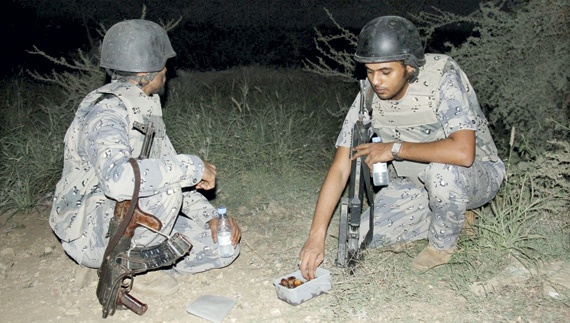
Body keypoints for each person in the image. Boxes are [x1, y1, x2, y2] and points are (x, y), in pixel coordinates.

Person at [299, 16, 505, 278]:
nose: (376, 81)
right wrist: (315, 236)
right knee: (362, 240)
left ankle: (441, 247)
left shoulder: (442, 76)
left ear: (409, 67)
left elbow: (463, 153)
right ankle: (456, 217)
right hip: (415, 184)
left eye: (385, 72)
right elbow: (342, 167)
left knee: (441, 172)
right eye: (370, 71)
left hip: (474, 176)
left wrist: (394, 148)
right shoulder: (369, 94)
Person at [49, 19, 241, 294]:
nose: (166, 71)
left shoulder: (144, 107)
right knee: (167, 189)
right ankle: (128, 266)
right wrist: (193, 166)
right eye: (164, 65)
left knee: (223, 247)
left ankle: (142, 260)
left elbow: (169, 174)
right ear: (146, 71)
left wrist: (212, 217)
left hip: (129, 217)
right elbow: (119, 180)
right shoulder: (105, 111)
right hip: (88, 228)